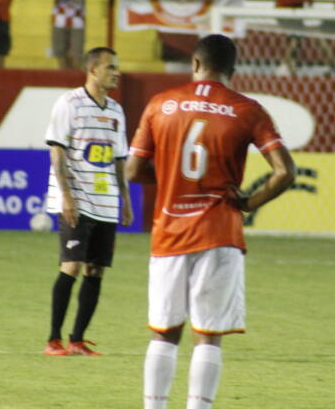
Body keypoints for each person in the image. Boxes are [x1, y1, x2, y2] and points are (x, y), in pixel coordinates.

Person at [125, 34, 295, 409]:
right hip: (220, 233)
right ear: (233, 70)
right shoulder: (247, 109)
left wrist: (170, 176)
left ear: (196, 64)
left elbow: (133, 170)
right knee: (208, 335)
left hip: (169, 233)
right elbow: (285, 172)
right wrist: (248, 202)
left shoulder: (160, 103)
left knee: (165, 333)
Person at [42, 47, 134, 357]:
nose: (117, 73)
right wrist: (66, 195)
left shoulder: (116, 111)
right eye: (110, 67)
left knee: (96, 270)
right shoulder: (69, 103)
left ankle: (77, 340)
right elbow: (57, 150)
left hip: (105, 201)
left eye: (117, 67)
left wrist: (125, 199)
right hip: (77, 198)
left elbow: (119, 159)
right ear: (93, 70)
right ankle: (53, 340)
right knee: (71, 265)